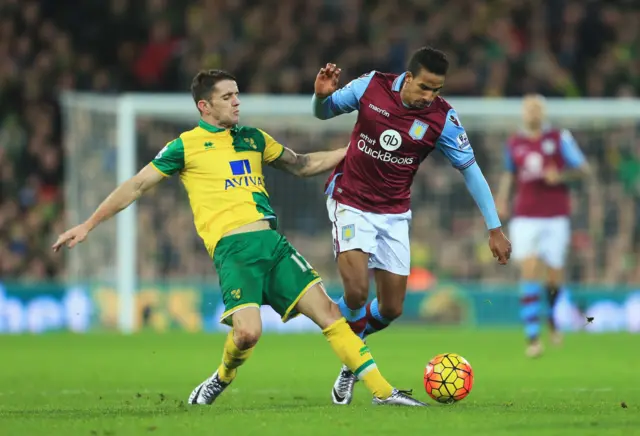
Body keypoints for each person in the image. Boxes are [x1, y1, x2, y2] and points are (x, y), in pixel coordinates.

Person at [53, 69, 427, 407]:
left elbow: (301, 165)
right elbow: (136, 185)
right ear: (205, 106)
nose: (237, 101)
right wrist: (88, 224)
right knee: (247, 334)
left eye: (237, 94)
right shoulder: (185, 145)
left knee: (331, 314)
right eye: (227, 97)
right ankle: (221, 377)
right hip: (233, 250)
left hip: (273, 245)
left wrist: (355, 152)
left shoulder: (252, 137)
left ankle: (383, 393)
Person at [311, 46, 512, 405]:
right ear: (408, 76)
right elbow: (323, 112)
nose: (429, 96)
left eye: (436, 89)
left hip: (394, 213)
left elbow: (471, 171)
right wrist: (319, 97)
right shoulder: (370, 86)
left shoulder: (442, 119)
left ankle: (350, 363)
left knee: (391, 309)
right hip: (351, 200)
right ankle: (360, 368)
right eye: (424, 87)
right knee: (356, 293)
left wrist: (494, 227)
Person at [495, 94, 590, 358]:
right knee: (529, 268)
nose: (533, 113)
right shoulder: (514, 142)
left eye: (537, 108)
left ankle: (553, 320)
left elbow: (584, 169)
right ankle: (533, 337)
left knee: (554, 275)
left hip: (555, 215)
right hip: (525, 215)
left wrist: (560, 175)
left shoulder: (559, 139)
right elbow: (509, 173)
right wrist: (502, 198)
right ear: (523, 113)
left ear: (544, 112)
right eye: (529, 108)